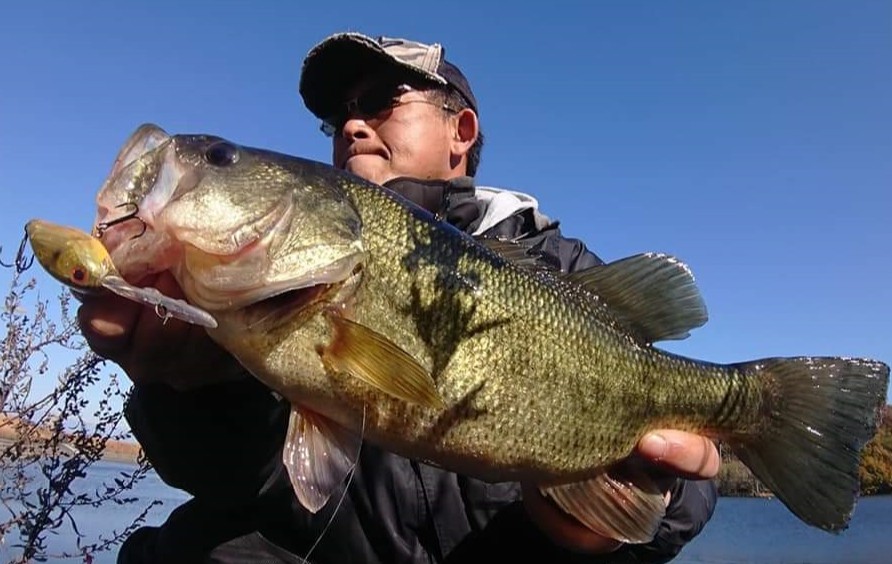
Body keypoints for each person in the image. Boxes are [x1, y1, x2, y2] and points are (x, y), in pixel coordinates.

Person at [77, 32, 719, 563]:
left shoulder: (561, 269)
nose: (352, 125)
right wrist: (189, 390)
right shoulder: (251, 295)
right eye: (337, 117)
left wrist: (622, 513)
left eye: (382, 102)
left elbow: (691, 477)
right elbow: (252, 482)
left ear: (460, 130)